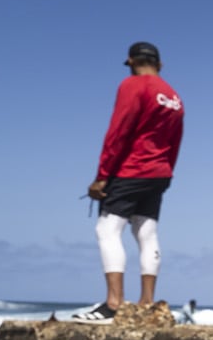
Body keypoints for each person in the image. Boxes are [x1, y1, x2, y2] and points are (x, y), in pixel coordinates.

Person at [73, 41, 184, 324]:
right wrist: (166, 172)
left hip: (131, 169)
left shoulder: (132, 85)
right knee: (146, 232)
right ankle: (147, 304)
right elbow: (175, 141)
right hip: (160, 172)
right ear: (159, 64)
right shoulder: (173, 97)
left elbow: (118, 130)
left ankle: (113, 304)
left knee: (107, 229)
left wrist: (102, 175)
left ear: (131, 62)